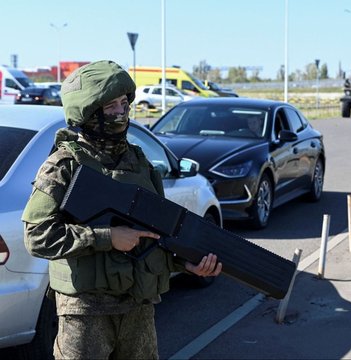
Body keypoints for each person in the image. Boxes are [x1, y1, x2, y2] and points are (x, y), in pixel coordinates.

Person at [22, 60, 222, 360]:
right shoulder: (64, 166)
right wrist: (106, 237)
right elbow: (37, 237)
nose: (120, 112)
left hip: (137, 309)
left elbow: (156, 235)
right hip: (85, 314)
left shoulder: (139, 163)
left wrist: (186, 264)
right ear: (88, 113)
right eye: (110, 106)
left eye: (124, 103)